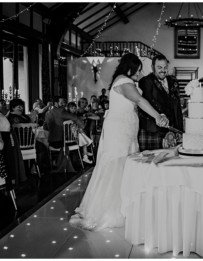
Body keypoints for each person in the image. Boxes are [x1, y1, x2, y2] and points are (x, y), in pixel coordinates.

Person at [70, 53, 168, 230]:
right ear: (129, 68)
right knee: (117, 165)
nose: (139, 74)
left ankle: (124, 206)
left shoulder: (124, 80)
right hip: (119, 131)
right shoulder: (123, 81)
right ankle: (110, 211)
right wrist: (158, 116)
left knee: (126, 166)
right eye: (137, 71)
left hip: (127, 130)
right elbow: (138, 99)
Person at [137, 54, 182, 151]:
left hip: (170, 131)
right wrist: (159, 116)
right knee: (150, 163)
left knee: (169, 162)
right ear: (153, 67)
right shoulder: (145, 81)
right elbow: (146, 102)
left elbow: (177, 107)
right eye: (159, 67)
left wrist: (179, 129)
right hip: (152, 130)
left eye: (165, 67)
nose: (163, 70)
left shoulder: (173, 81)